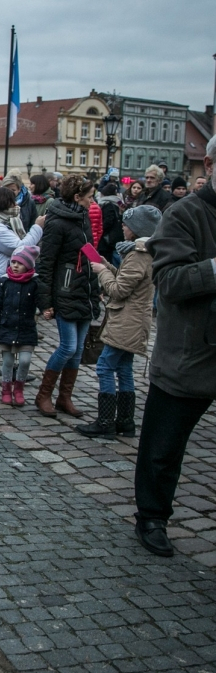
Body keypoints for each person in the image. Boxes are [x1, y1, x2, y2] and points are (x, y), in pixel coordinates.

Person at [132, 136, 216, 557]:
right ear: (210, 163)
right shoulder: (185, 213)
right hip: (189, 354)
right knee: (163, 446)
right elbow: (170, 282)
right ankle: (151, 515)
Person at [76, 205, 159, 439]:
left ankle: (106, 422)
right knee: (124, 369)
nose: (122, 226)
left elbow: (118, 290)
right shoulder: (142, 252)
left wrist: (102, 271)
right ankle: (125, 422)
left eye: (126, 223)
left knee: (104, 367)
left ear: (137, 229)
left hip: (127, 321)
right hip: (134, 321)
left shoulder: (138, 255)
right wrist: (107, 265)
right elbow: (128, 281)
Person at [34, 175, 101, 418]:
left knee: (78, 348)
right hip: (65, 291)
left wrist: (97, 289)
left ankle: (65, 397)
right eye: (90, 196)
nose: (93, 201)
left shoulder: (83, 217)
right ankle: (43, 395)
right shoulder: (57, 221)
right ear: (77, 197)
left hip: (84, 290)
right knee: (67, 346)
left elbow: (89, 254)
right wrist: (46, 302)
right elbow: (46, 264)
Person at [0, 187, 45, 377]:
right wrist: (37, 227)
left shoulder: (9, 223)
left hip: (12, 279)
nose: (16, 206)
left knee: (11, 320)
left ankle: (9, 361)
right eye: (12, 202)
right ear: (4, 204)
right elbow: (20, 248)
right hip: (0, 281)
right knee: (4, 321)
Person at [0, 246, 40, 407]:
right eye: (13, 262)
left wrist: (46, 309)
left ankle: (19, 388)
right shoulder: (5, 282)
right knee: (8, 361)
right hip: (7, 327)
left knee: (25, 360)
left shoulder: (34, 283)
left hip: (26, 329)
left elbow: (41, 301)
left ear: (29, 266)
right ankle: (5, 389)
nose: (15, 266)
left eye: (19, 263)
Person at [95, 183, 124, 262]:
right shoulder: (119, 201)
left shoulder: (106, 203)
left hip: (107, 237)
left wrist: (101, 229)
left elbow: (108, 221)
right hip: (117, 234)